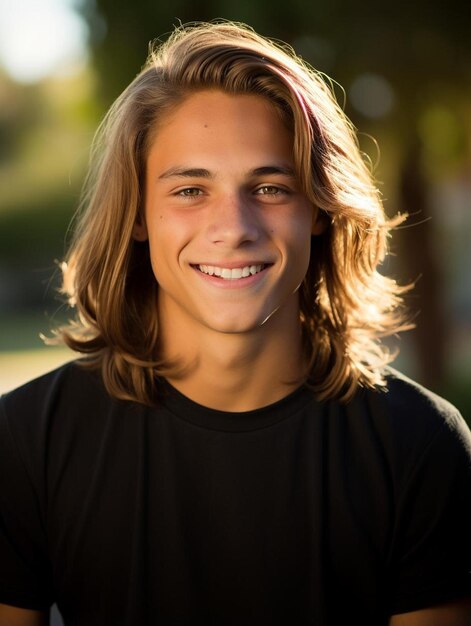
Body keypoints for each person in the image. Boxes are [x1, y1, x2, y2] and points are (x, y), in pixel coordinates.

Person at [0, 21, 470, 626]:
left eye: (271, 187)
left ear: (320, 210)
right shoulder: (26, 441)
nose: (234, 226)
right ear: (137, 215)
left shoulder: (419, 444)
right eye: (191, 190)